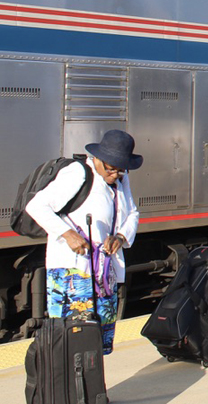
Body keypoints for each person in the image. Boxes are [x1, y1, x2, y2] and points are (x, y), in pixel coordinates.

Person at [26, 129, 141, 355]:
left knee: (99, 343)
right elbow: (36, 206)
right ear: (97, 159)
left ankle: (92, 388)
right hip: (73, 274)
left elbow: (133, 213)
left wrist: (120, 236)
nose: (116, 174)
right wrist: (68, 234)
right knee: (73, 342)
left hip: (103, 276)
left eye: (121, 169)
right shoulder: (78, 174)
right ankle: (71, 389)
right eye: (111, 168)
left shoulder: (121, 179)